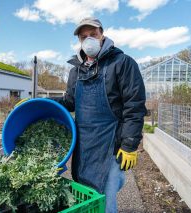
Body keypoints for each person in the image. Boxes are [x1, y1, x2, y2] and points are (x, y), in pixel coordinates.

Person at [51, 17, 147, 213]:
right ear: (79, 40)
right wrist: (39, 103)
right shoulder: (75, 71)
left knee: (104, 200)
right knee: (85, 193)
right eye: (83, 36)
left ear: (102, 35)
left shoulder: (122, 63)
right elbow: (69, 101)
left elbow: (134, 106)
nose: (89, 40)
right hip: (84, 146)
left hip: (110, 145)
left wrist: (129, 144)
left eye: (93, 35)